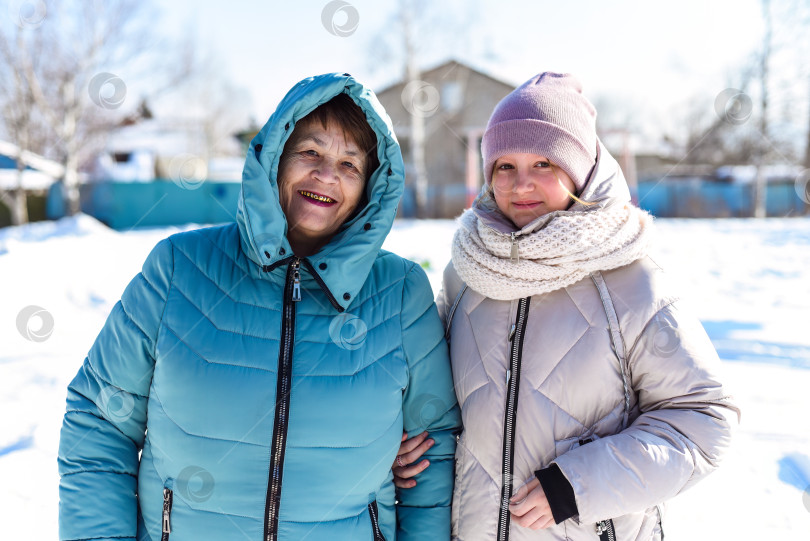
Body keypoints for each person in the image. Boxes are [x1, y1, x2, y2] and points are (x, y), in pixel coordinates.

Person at [57, 72, 460, 541]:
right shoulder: (180, 269)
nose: (327, 175)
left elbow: (434, 455)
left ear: (371, 188)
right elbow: (100, 420)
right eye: (310, 152)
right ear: (274, 159)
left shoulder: (400, 292)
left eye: (350, 164)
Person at [395, 72, 739, 540]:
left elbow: (704, 419)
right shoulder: (469, 276)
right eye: (504, 166)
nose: (521, 185)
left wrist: (575, 486)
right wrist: (400, 444)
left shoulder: (633, 282)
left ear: (583, 170)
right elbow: (433, 397)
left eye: (544, 163)